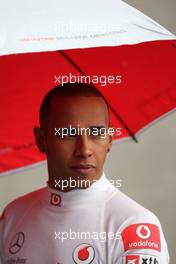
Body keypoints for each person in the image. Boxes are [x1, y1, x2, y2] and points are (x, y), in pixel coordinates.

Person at [0, 82, 169, 264]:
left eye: (96, 133)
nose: (84, 150)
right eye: (69, 133)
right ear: (41, 139)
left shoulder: (135, 226)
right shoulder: (13, 215)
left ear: (110, 140)